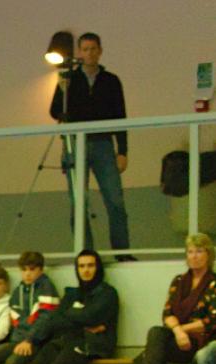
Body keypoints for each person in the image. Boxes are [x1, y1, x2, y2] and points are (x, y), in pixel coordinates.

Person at [50, 32, 131, 257]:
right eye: (85, 49)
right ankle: (85, 252)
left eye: (93, 49)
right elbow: (55, 111)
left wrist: (122, 151)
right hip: (76, 143)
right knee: (78, 202)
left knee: (115, 199)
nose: (89, 53)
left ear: (100, 51)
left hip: (103, 143)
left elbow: (120, 116)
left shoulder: (111, 80)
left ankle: (122, 251)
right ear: (79, 52)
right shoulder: (69, 78)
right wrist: (62, 90)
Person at [119, 234, 214, 364]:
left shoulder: (213, 282)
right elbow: (167, 314)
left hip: (203, 341)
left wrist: (182, 330)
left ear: (209, 254)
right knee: (156, 333)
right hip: (179, 340)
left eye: (199, 251)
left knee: (154, 348)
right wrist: (178, 332)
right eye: (190, 252)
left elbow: (211, 320)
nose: (194, 256)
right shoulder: (179, 281)